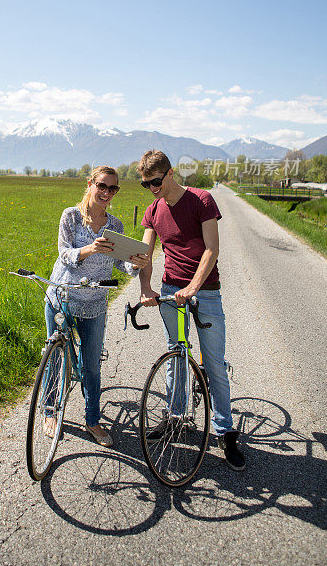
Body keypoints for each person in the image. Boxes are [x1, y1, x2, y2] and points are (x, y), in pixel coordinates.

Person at [137, 150, 246, 470]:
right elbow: (146, 253)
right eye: (146, 184)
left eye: (156, 181)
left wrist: (194, 288)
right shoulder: (153, 210)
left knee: (213, 364)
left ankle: (225, 431)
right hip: (172, 293)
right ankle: (175, 417)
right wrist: (146, 288)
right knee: (176, 354)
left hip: (205, 293)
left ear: (170, 174)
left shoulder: (202, 200)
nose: (153, 188)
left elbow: (211, 249)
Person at [45, 165, 149, 447]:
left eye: (112, 188)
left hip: (94, 302)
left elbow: (121, 264)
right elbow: (64, 253)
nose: (106, 192)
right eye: (102, 186)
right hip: (63, 295)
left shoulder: (115, 226)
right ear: (90, 185)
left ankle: (92, 420)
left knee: (91, 366)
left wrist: (135, 265)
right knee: (54, 356)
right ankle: (50, 411)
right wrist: (89, 249)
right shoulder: (71, 217)